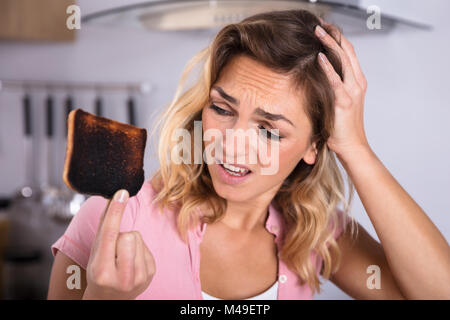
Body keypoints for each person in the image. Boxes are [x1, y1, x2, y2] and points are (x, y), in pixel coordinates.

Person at [47, 9, 450, 300]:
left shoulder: (315, 232)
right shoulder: (112, 222)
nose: (231, 142)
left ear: (315, 145)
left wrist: (355, 147)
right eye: (222, 109)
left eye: (269, 129)